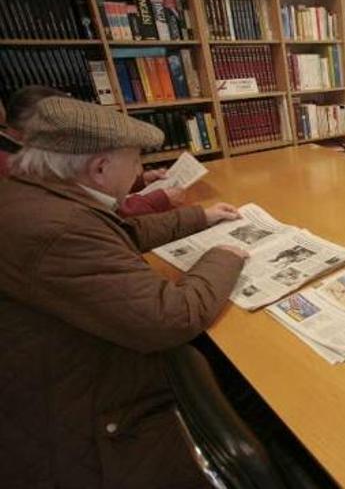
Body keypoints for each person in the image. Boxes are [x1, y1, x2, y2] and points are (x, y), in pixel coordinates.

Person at [0, 96, 249, 488]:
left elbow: (118, 234)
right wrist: (224, 256)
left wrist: (199, 216)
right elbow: (172, 317)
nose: (139, 170)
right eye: (135, 161)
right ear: (99, 168)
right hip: (84, 426)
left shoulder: (38, 193)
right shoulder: (59, 231)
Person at [0, 85, 185, 216]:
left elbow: (83, 180)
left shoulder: (31, 158)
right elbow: (97, 208)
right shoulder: (13, 170)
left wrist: (140, 180)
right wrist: (157, 199)